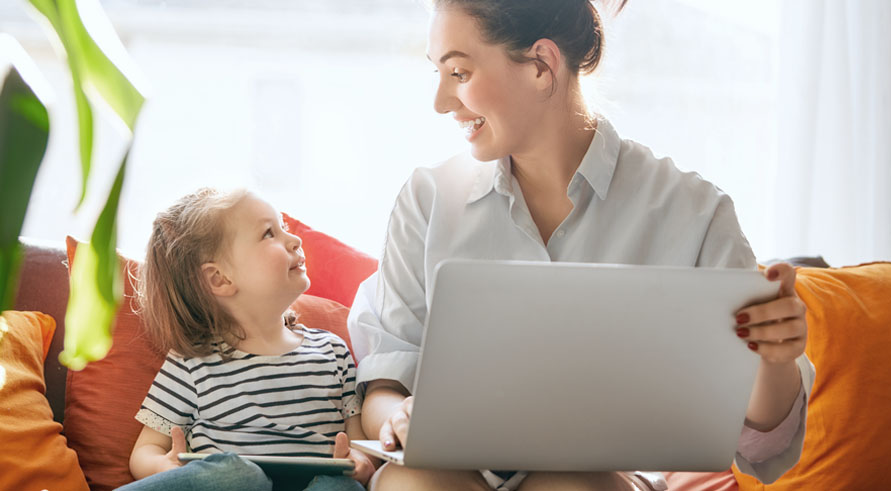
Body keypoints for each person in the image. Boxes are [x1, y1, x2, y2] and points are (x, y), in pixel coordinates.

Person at [348, 1, 814, 490]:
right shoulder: (427, 200)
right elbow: (384, 382)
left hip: (602, 482)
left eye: (459, 72)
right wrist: (401, 417)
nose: (442, 102)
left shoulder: (693, 212)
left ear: (541, 66)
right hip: (443, 474)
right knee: (415, 482)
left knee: (570, 486)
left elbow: (762, 441)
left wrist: (773, 353)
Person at [119, 188, 375, 491]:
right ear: (220, 279)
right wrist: (166, 466)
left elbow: (360, 443)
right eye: (269, 233)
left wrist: (361, 462)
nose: (295, 240)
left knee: (343, 488)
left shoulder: (333, 351)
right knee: (238, 475)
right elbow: (144, 452)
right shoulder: (192, 363)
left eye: (285, 228)